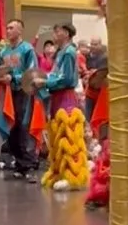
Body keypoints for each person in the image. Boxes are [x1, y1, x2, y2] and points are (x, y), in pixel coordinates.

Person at [36, 22, 89, 191]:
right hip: (57, 97)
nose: (54, 35)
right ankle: (59, 172)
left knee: (69, 135)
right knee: (57, 138)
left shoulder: (69, 52)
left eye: (57, 31)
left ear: (66, 33)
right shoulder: (61, 53)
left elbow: (66, 78)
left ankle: (72, 175)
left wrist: (45, 81)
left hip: (66, 97)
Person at [0, 20, 38, 179]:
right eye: (7, 27)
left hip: (23, 91)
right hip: (7, 94)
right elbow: (0, 69)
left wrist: (13, 78)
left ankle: (28, 165)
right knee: (10, 127)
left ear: (20, 31)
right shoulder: (4, 51)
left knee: (22, 126)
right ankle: (20, 164)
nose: (8, 30)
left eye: (11, 27)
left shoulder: (27, 49)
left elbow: (32, 72)